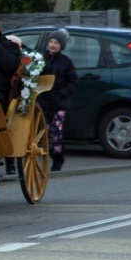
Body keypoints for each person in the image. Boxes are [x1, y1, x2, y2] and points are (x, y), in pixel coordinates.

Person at [37, 29, 78, 171]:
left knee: (57, 131)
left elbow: (73, 81)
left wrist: (62, 93)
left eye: (56, 43)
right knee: (45, 130)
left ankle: (57, 158)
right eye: (51, 42)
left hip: (59, 103)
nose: (53, 45)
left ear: (62, 46)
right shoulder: (41, 59)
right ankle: (46, 155)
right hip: (44, 101)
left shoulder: (66, 62)